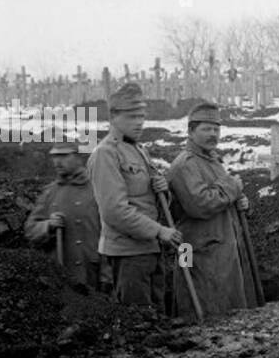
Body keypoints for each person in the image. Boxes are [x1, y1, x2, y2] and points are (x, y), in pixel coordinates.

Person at [87, 82, 184, 312]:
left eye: (142, 116)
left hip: (150, 249)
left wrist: (161, 190)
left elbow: (147, 201)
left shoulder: (139, 149)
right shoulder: (106, 154)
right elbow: (114, 212)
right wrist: (159, 231)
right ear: (113, 116)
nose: (139, 122)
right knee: (140, 320)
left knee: (157, 314)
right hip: (128, 253)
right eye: (132, 116)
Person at [165, 101, 252, 320]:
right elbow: (200, 205)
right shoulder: (186, 164)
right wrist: (232, 188)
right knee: (195, 303)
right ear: (191, 131)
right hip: (192, 248)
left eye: (216, 129)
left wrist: (240, 202)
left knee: (226, 309)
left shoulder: (212, 159)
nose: (213, 134)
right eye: (206, 129)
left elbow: (222, 195)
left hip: (218, 246)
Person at [24, 141, 103, 293]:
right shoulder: (49, 193)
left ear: (78, 157)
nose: (57, 162)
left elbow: (113, 232)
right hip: (61, 276)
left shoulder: (98, 190)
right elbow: (30, 230)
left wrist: (107, 274)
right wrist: (47, 225)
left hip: (93, 273)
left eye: (64, 156)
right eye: (54, 156)